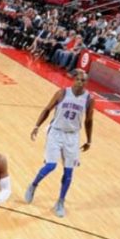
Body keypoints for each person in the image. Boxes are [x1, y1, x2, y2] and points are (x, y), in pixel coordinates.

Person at [24, 70, 94, 218]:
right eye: (78, 79)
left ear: (87, 83)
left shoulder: (89, 99)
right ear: (74, 80)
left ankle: (60, 201)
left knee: (69, 172)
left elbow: (88, 120)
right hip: (55, 133)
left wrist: (89, 140)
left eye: (83, 80)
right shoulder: (62, 93)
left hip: (73, 136)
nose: (80, 82)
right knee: (51, 166)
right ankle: (33, 185)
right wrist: (36, 126)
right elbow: (47, 109)